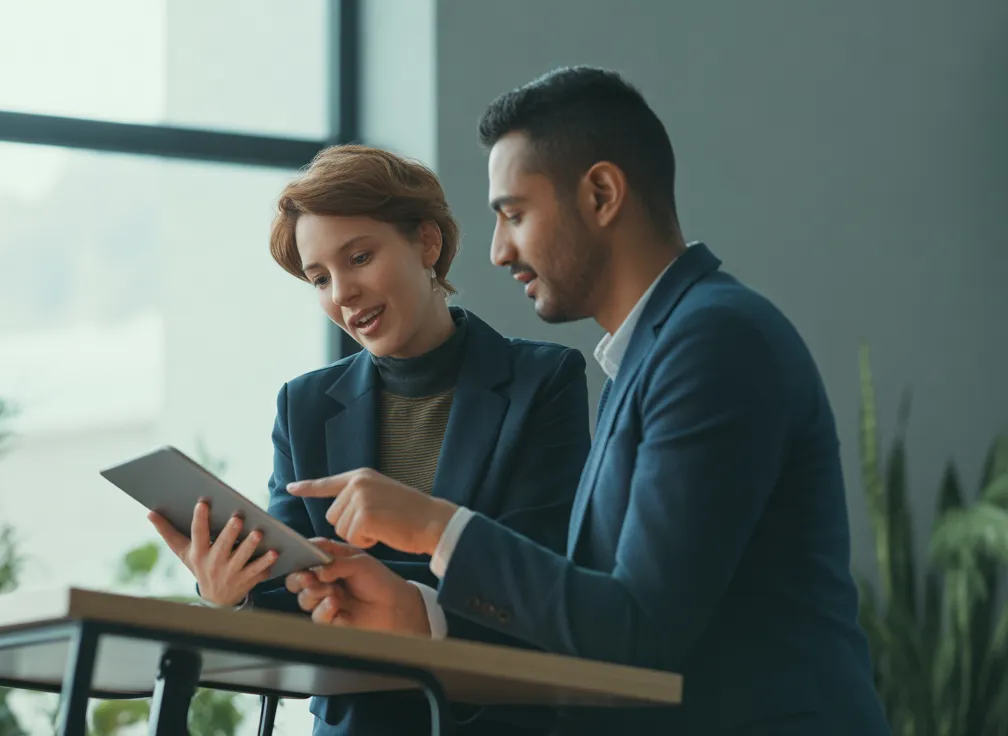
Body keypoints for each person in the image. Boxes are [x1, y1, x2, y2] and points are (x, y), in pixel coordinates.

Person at [283, 67, 893, 736]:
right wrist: (414, 613)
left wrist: (433, 527)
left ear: (602, 193)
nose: (496, 250)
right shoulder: (653, 355)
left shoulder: (713, 342)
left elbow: (638, 631)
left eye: (514, 214)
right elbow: (595, 614)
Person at [148, 143, 593, 735]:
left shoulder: (543, 381)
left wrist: (400, 597)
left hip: (491, 721)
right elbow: (291, 592)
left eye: (358, 257)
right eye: (319, 278)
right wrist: (234, 593)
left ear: (426, 243)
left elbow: (541, 577)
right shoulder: (303, 406)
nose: (342, 294)